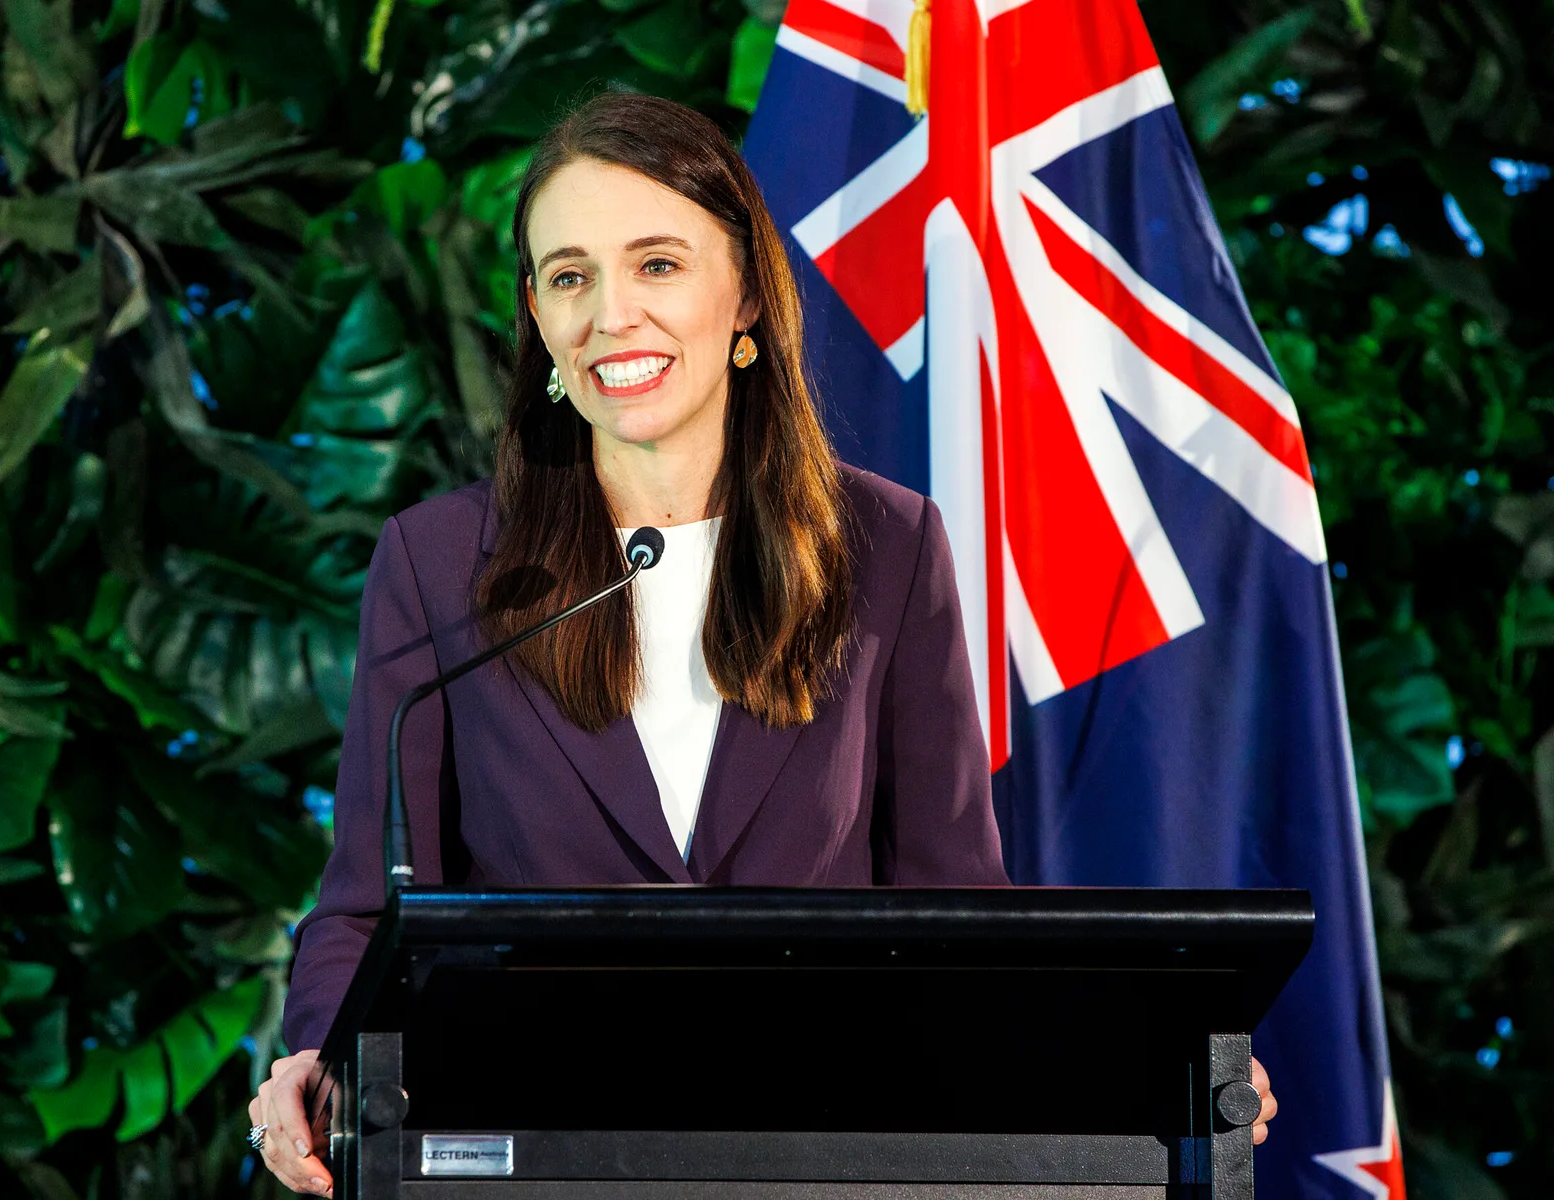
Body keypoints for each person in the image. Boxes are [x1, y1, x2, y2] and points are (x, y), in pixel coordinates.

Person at [248, 91, 1276, 1196]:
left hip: (822, 1152)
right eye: (569, 275)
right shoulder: (439, 562)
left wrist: (1160, 1058)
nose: (610, 316)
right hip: (534, 1154)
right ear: (537, 321)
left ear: (743, 294)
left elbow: (956, 906)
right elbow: (366, 896)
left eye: (657, 264)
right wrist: (312, 1060)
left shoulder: (887, 549)